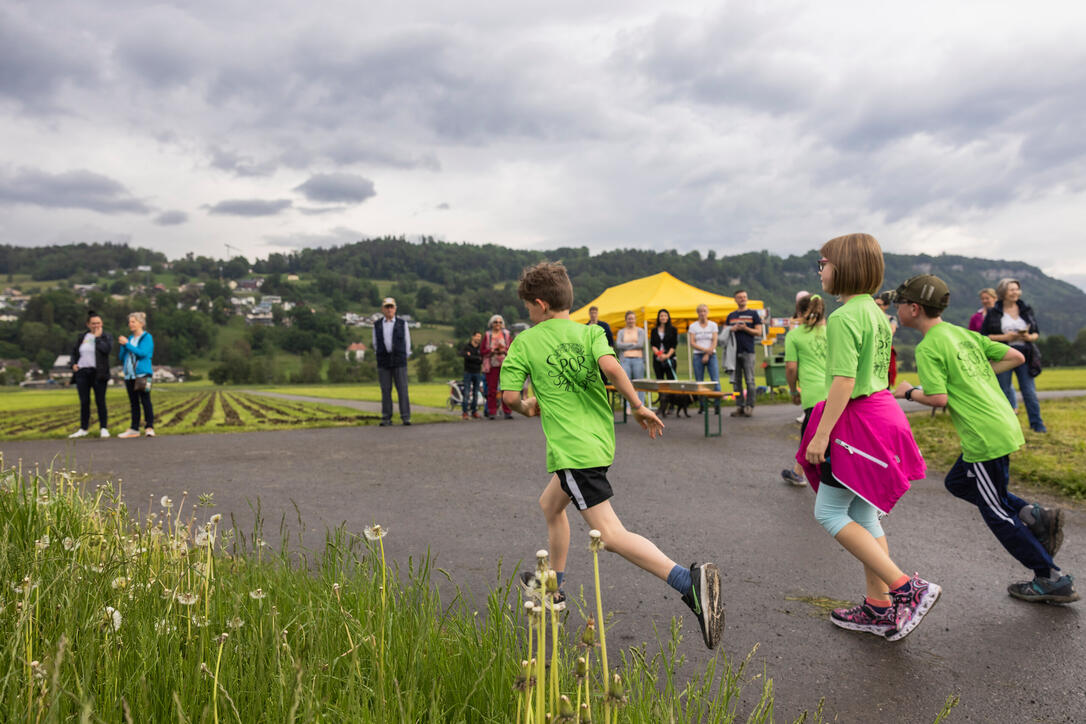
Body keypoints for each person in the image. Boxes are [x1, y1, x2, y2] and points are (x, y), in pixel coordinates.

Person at [501, 261, 724, 649]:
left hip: (572, 451)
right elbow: (612, 368)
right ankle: (554, 587)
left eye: (528, 308)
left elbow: (507, 398)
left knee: (609, 534)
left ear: (539, 304)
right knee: (550, 505)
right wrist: (638, 405)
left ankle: (688, 583)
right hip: (598, 445)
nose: (529, 314)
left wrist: (526, 405)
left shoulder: (525, 342)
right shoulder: (591, 333)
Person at [892, 274, 1078, 604]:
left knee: (996, 512)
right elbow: (1016, 357)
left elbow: (938, 398)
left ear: (914, 308)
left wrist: (908, 392)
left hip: (984, 436)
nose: (897, 309)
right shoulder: (963, 334)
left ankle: (1050, 577)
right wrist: (973, 375)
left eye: (900, 303)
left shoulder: (930, 346)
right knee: (958, 483)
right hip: (1002, 423)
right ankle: (1034, 515)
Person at [797, 233, 939, 641]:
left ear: (842, 266)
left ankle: (907, 590)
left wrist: (819, 436)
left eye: (822, 263)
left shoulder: (842, 317)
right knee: (862, 514)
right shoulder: (876, 313)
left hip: (857, 419)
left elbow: (843, 380)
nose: (820, 270)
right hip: (881, 413)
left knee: (827, 512)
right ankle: (879, 607)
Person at [981, 279, 1047, 433]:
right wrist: (1006, 338)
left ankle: (1037, 425)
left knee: (1029, 391)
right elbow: (984, 336)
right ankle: (1005, 426)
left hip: (1025, 355)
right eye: (1011, 289)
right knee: (1003, 391)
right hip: (1003, 355)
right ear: (1003, 292)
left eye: (1017, 289)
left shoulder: (1026, 309)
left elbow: (1036, 332)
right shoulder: (993, 312)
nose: (1015, 292)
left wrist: (1030, 338)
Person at [781, 294, 827, 486]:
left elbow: (791, 368)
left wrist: (793, 392)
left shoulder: (794, 335)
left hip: (813, 394)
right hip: (839, 392)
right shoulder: (834, 331)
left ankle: (800, 473)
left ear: (799, 313)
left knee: (809, 433)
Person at [68, 310, 113, 438]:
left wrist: (97, 338)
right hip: (82, 372)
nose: (96, 326)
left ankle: (103, 428)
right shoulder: (82, 337)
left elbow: (106, 350)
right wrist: (73, 364)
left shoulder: (106, 337)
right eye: (93, 323)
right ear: (88, 324)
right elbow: (74, 352)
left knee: (100, 401)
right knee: (84, 401)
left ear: (102, 323)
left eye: (98, 323)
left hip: (99, 373)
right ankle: (83, 428)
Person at [372, 297, 412, 426]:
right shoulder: (377, 325)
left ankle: (406, 417)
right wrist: (380, 354)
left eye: (391, 307)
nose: (389, 309)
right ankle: (386, 417)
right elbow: (375, 344)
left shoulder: (402, 323)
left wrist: (404, 357)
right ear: (383, 309)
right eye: (387, 307)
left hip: (399, 360)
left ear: (395, 308)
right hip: (383, 361)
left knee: (403, 390)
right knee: (385, 390)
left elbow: (407, 343)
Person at [117, 312, 155, 439]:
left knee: (145, 400)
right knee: (134, 402)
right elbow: (121, 357)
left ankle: (149, 427)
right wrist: (123, 346)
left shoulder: (147, 338)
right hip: (129, 375)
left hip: (143, 373)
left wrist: (127, 344)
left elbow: (143, 353)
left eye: (133, 321)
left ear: (141, 323)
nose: (130, 324)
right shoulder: (130, 339)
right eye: (129, 322)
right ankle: (134, 428)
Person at [725, 290, 761, 417]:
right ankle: (739, 405)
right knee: (736, 381)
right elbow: (725, 332)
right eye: (740, 297)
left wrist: (745, 328)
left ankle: (750, 406)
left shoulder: (753, 314)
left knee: (750, 380)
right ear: (735, 299)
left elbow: (759, 332)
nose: (742, 299)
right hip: (733, 352)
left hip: (748, 351)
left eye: (744, 297)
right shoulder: (731, 316)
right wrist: (731, 329)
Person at [614, 310, 646, 408]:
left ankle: (641, 405)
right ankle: (628, 406)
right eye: (629, 319)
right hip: (625, 360)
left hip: (638, 359)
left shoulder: (640, 331)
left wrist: (626, 346)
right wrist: (633, 344)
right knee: (626, 383)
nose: (631, 320)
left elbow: (640, 344)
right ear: (626, 320)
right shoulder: (621, 332)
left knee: (639, 383)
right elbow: (618, 345)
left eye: (632, 318)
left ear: (635, 319)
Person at [483, 314, 513, 419]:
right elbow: (482, 351)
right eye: (496, 322)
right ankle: (492, 411)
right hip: (492, 365)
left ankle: (507, 411)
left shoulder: (507, 334)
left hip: (505, 364)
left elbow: (513, 348)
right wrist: (491, 351)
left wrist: (504, 350)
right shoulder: (488, 335)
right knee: (492, 390)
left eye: (500, 322)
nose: (498, 324)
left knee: (506, 388)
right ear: (491, 323)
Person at [688, 304, 720, 391]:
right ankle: (702, 403)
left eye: (704, 311)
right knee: (699, 381)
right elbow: (692, 343)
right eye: (700, 311)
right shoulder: (693, 326)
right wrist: (705, 350)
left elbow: (714, 341)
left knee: (715, 380)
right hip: (698, 355)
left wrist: (707, 354)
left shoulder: (713, 325)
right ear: (697, 313)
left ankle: (717, 403)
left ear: (708, 312)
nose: (702, 313)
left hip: (711, 355)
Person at [874, 291, 898, 388]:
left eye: (879, 305)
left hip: (885, 351)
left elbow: (891, 332)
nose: (876, 307)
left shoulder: (891, 319)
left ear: (886, 306)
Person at [460, 331, 484, 420]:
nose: (478, 338)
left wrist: (471, 357)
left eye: (480, 337)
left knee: (476, 393)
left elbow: (482, 359)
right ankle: (465, 412)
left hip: (477, 372)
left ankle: (474, 412)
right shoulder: (467, 347)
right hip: (468, 372)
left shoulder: (480, 348)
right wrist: (476, 358)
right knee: (466, 393)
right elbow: (462, 354)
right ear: (473, 337)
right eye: (477, 336)